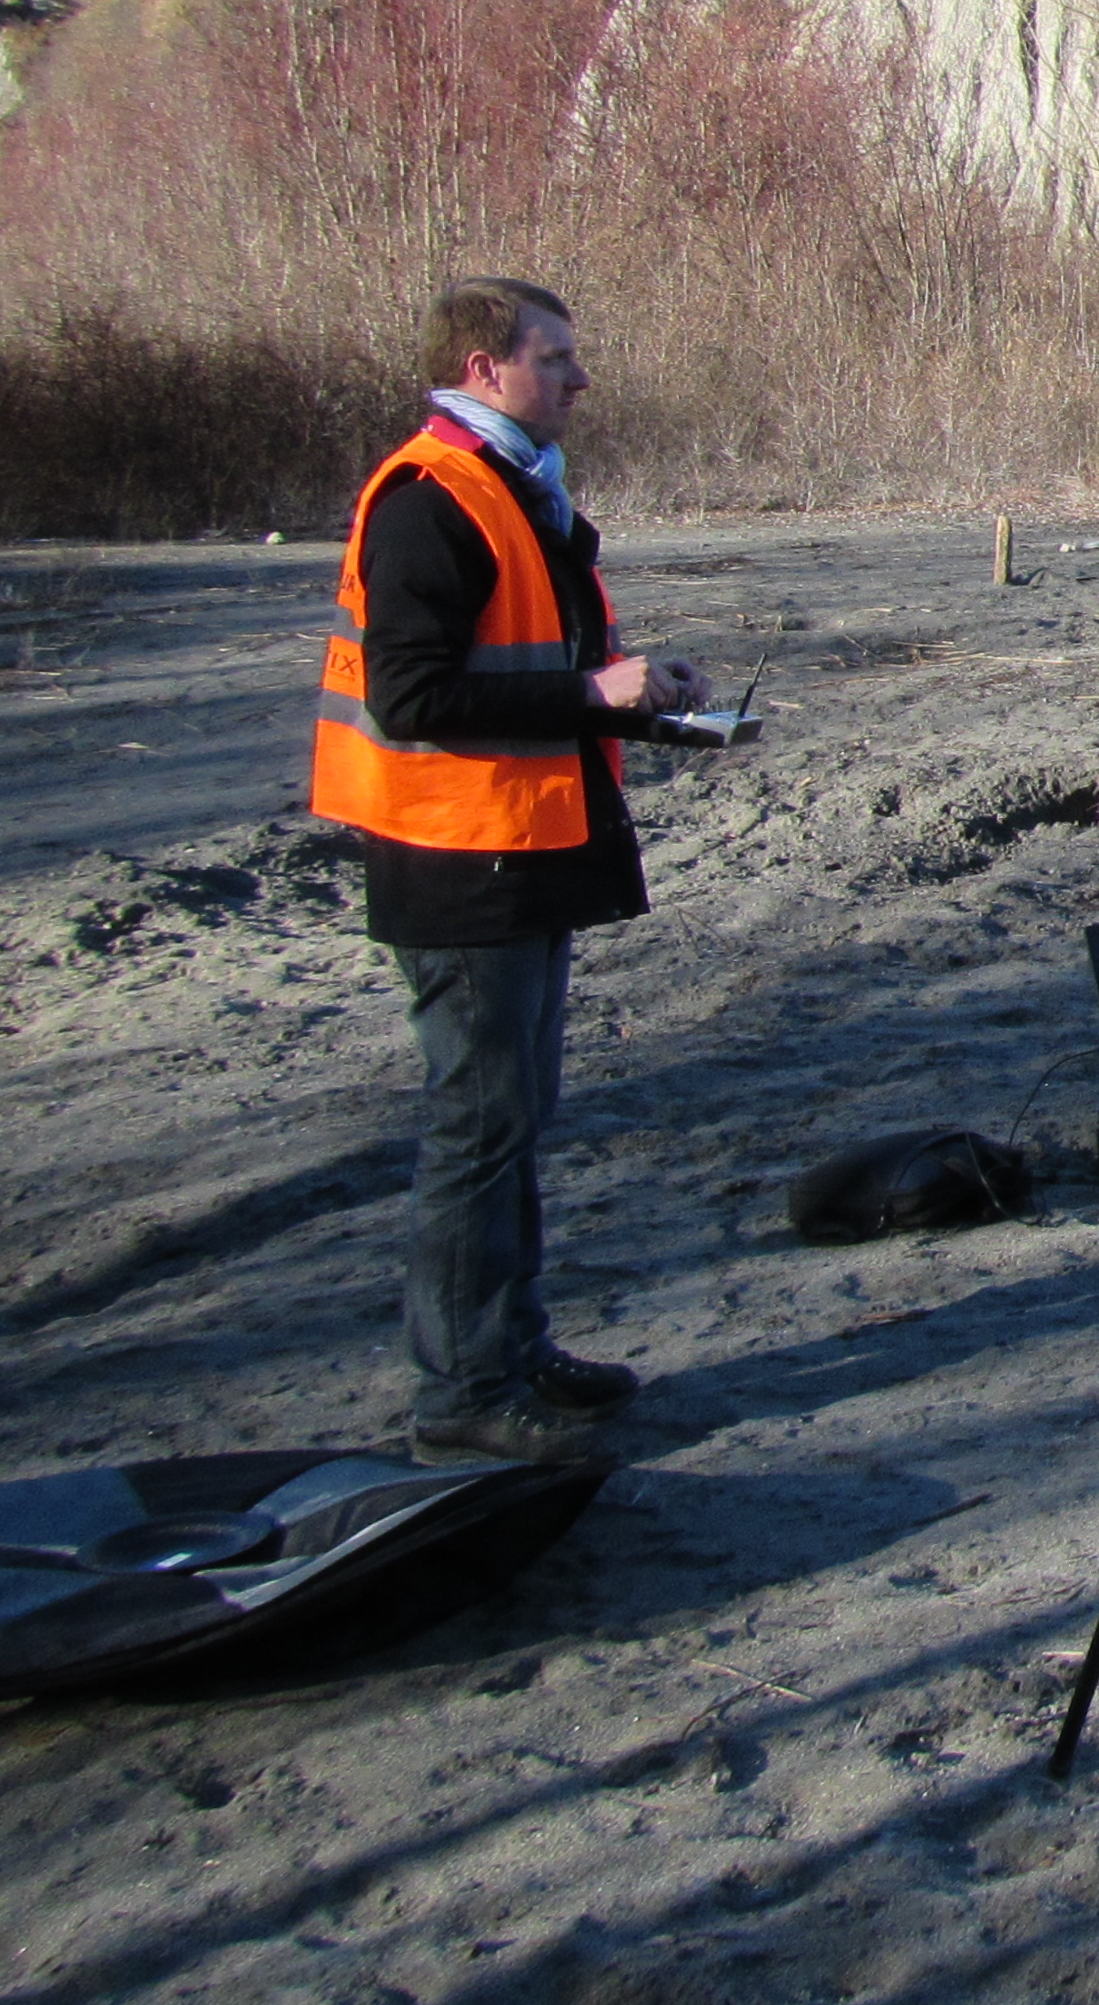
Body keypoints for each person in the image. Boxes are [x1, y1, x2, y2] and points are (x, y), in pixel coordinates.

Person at [312, 277, 711, 1465]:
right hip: (458, 863)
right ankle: (463, 1398)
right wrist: (594, 694)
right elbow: (415, 696)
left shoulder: (511, 489)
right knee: (477, 1132)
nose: (580, 378)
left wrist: (641, 704)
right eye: (557, 357)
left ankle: (512, 1348)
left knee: (513, 1119)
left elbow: (530, 672)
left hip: (519, 849)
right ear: (486, 369)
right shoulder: (430, 499)